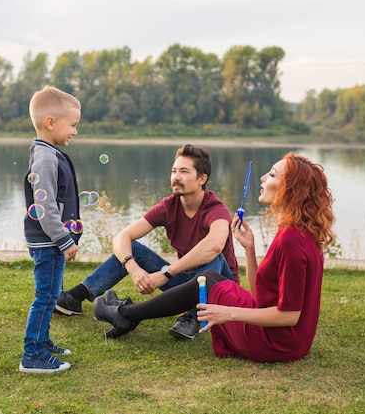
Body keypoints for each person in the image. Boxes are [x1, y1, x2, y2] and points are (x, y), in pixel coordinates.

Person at [93, 152, 335, 363]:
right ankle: (126, 314)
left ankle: (125, 315)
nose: (262, 178)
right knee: (210, 280)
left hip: (278, 344)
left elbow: (289, 316)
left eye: (271, 175)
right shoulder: (295, 231)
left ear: (290, 188)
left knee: (208, 280)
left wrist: (226, 313)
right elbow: (263, 297)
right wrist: (249, 250)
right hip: (286, 340)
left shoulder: (291, 240)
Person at [56, 144, 239, 340]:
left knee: (213, 257)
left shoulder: (216, 209)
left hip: (220, 288)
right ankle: (75, 297)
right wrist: (134, 268)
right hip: (186, 282)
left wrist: (167, 273)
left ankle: (192, 315)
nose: (176, 177)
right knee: (132, 249)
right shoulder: (169, 206)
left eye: (184, 171)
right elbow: (122, 238)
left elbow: (214, 246)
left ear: (202, 179)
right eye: (174, 171)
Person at [19, 85, 83, 374]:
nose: (75, 131)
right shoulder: (45, 158)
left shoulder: (48, 152)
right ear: (51, 123)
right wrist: (64, 239)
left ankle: (42, 341)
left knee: (52, 292)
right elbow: (44, 207)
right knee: (45, 295)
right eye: (73, 125)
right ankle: (31, 354)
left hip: (51, 240)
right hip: (47, 240)